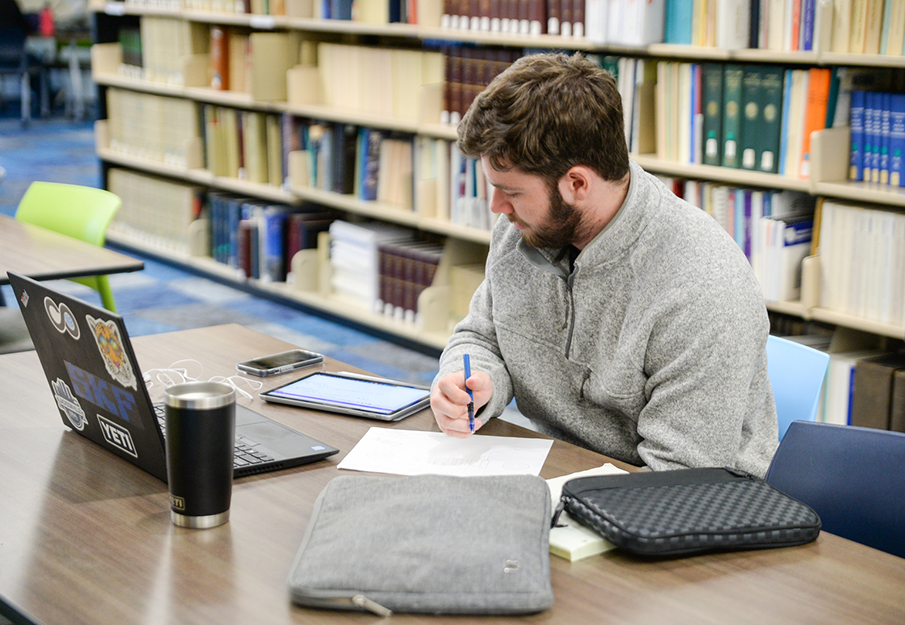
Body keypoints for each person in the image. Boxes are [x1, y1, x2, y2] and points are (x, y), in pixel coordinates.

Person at [429, 52, 779, 477]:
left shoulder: (701, 285)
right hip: (565, 468)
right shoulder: (525, 227)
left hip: (684, 503)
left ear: (576, 183)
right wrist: (473, 384)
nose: (496, 207)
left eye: (512, 192)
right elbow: (482, 337)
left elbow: (683, 476)